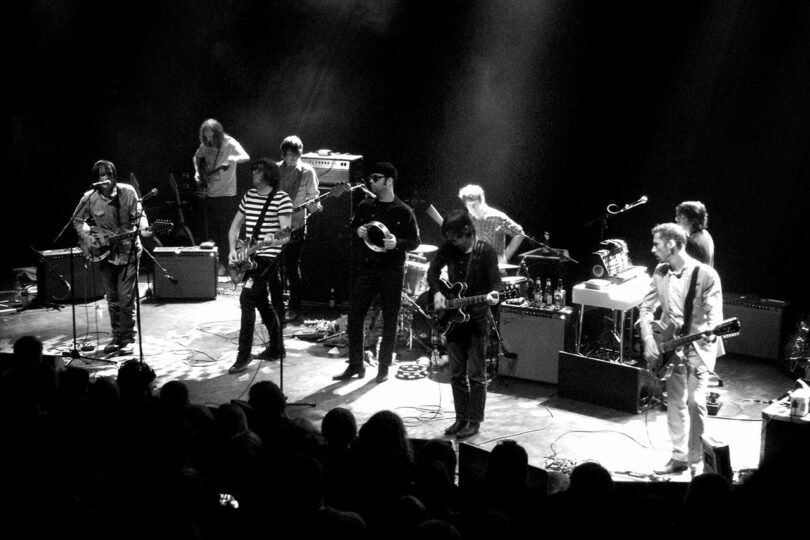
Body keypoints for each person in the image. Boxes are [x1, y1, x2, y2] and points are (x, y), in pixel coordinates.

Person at [639, 223, 724, 477]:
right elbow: (646, 309)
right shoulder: (660, 271)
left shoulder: (706, 275)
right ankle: (679, 457)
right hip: (670, 347)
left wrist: (712, 329)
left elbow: (715, 316)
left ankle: (697, 462)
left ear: (672, 245)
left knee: (695, 401)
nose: (653, 249)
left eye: (657, 244)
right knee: (675, 403)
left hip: (698, 346)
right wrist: (649, 340)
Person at [333, 162, 420, 383]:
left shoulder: (404, 210)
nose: (371, 181)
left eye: (376, 177)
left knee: (390, 319)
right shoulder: (365, 206)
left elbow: (415, 242)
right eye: (371, 177)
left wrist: (397, 243)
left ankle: (383, 368)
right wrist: (357, 231)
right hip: (366, 269)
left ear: (388, 181)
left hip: (391, 271)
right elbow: (350, 229)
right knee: (355, 316)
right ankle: (355, 365)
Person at [427, 210, 501, 439]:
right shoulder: (449, 248)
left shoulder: (485, 251)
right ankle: (461, 418)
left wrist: (495, 293)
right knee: (456, 374)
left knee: (477, 375)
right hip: (453, 320)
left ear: (467, 232)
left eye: (456, 237)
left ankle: (474, 421)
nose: (452, 242)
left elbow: (496, 280)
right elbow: (433, 271)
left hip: (477, 319)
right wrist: (438, 292)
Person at [73, 160, 152, 355]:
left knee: (126, 299)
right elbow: (77, 220)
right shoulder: (89, 198)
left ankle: (128, 339)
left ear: (114, 175)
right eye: (100, 176)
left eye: (108, 174)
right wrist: (88, 238)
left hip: (128, 252)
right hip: (104, 254)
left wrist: (144, 228)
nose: (104, 179)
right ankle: (116, 337)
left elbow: (140, 215)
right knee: (112, 299)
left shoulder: (128, 192)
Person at [226, 158, 292, 374]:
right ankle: (277, 348)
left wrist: (270, 240)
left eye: (258, 170)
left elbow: (285, 235)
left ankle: (243, 356)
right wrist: (233, 251)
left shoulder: (281, 199)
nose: (253, 172)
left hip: (268, 258)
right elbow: (234, 228)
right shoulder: (249, 196)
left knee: (247, 298)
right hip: (249, 256)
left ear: (269, 174)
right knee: (262, 302)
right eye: (253, 169)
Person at [272, 135, 322, 322]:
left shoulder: (307, 172)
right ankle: (276, 307)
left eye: (296, 154)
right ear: (283, 154)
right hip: (274, 225)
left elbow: (313, 197)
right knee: (272, 268)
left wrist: (315, 206)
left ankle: (294, 307)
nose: (293, 158)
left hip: (296, 226)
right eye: (289, 155)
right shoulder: (274, 170)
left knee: (292, 268)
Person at [193, 118, 251, 276]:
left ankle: (227, 264)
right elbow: (197, 157)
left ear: (218, 134)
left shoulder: (230, 143)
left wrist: (234, 158)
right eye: (206, 137)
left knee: (227, 231)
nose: (209, 140)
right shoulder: (205, 145)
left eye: (212, 136)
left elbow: (246, 157)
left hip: (226, 194)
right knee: (214, 232)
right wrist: (199, 173)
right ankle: (218, 264)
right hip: (210, 193)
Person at [458, 184, 525, 265]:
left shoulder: (497, 217)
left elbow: (520, 234)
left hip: (494, 268)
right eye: (469, 206)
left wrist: (506, 256)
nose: (472, 209)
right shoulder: (469, 219)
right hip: (475, 267)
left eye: (474, 205)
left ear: (481, 201)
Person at [675, 200, 715, 266]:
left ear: (693, 220)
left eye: (682, 217)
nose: (677, 219)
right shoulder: (706, 234)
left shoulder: (692, 242)